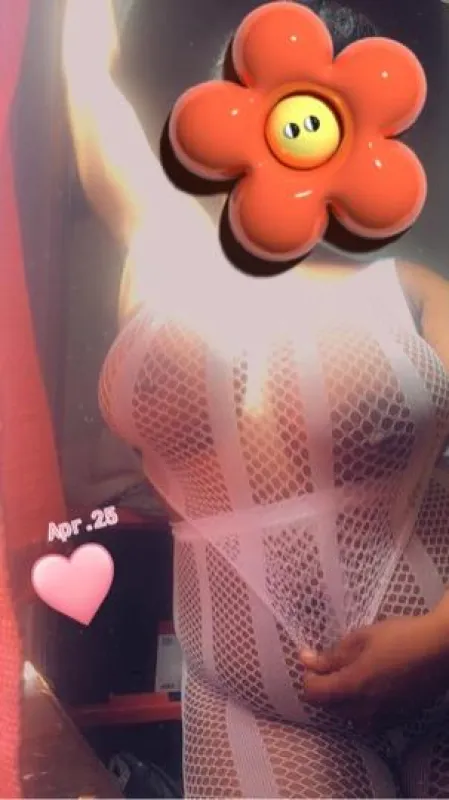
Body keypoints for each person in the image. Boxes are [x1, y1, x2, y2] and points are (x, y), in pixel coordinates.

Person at [63, 0, 449, 796]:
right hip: (256, 718)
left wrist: (436, 643)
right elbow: (88, 80)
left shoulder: (414, 293)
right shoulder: (165, 248)